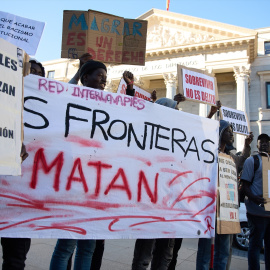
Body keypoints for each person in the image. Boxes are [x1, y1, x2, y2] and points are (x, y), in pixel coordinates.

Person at [50, 60, 136, 270]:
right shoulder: (70, 99)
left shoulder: (107, 104)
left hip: (97, 187)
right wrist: (78, 71)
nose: (103, 81)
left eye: (105, 78)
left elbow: (129, 114)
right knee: (66, 246)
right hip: (74, 184)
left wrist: (130, 89)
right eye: (99, 76)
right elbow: (60, 95)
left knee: (88, 247)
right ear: (85, 78)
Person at [131, 94, 185, 270]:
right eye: (175, 110)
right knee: (144, 256)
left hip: (172, 207)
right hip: (151, 207)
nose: (179, 113)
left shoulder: (181, 138)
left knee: (165, 255)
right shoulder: (147, 137)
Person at [1, 60, 45, 270]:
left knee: (15, 260)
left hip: (22, 201)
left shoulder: (49, 109)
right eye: (28, 71)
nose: (32, 75)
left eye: (37, 73)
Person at [196, 120, 253, 270]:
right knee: (205, 252)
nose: (231, 134)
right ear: (220, 132)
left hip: (227, 211)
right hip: (209, 209)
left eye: (232, 132)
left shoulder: (231, 157)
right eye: (228, 131)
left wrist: (246, 146)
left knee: (223, 252)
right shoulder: (208, 153)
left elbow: (241, 162)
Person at [241, 133, 270, 270]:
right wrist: (254, 198)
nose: (264, 143)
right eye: (261, 141)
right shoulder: (251, 161)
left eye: (267, 141)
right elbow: (245, 185)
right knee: (255, 245)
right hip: (256, 212)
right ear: (257, 145)